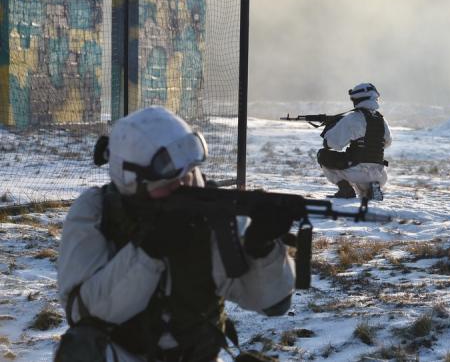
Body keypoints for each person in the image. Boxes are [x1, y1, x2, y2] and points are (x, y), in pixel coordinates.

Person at [56, 106, 295, 362]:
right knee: (79, 352)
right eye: (170, 184)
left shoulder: (211, 211)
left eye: (190, 173)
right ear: (132, 183)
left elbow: (272, 303)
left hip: (198, 355)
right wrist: (148, 255)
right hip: (124, 353)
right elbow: (83, 314)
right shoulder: (97, 211)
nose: (186, 186)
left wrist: (263, 248)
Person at [316, 83, 392, 200]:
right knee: (363, 176)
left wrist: (332, 126)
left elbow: (331, 143)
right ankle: (372, 188)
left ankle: (345, 189)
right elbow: (387, 142)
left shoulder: (353, 118)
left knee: (323, 155)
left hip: (355, 172)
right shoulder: (382, 120)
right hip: (380, 174)